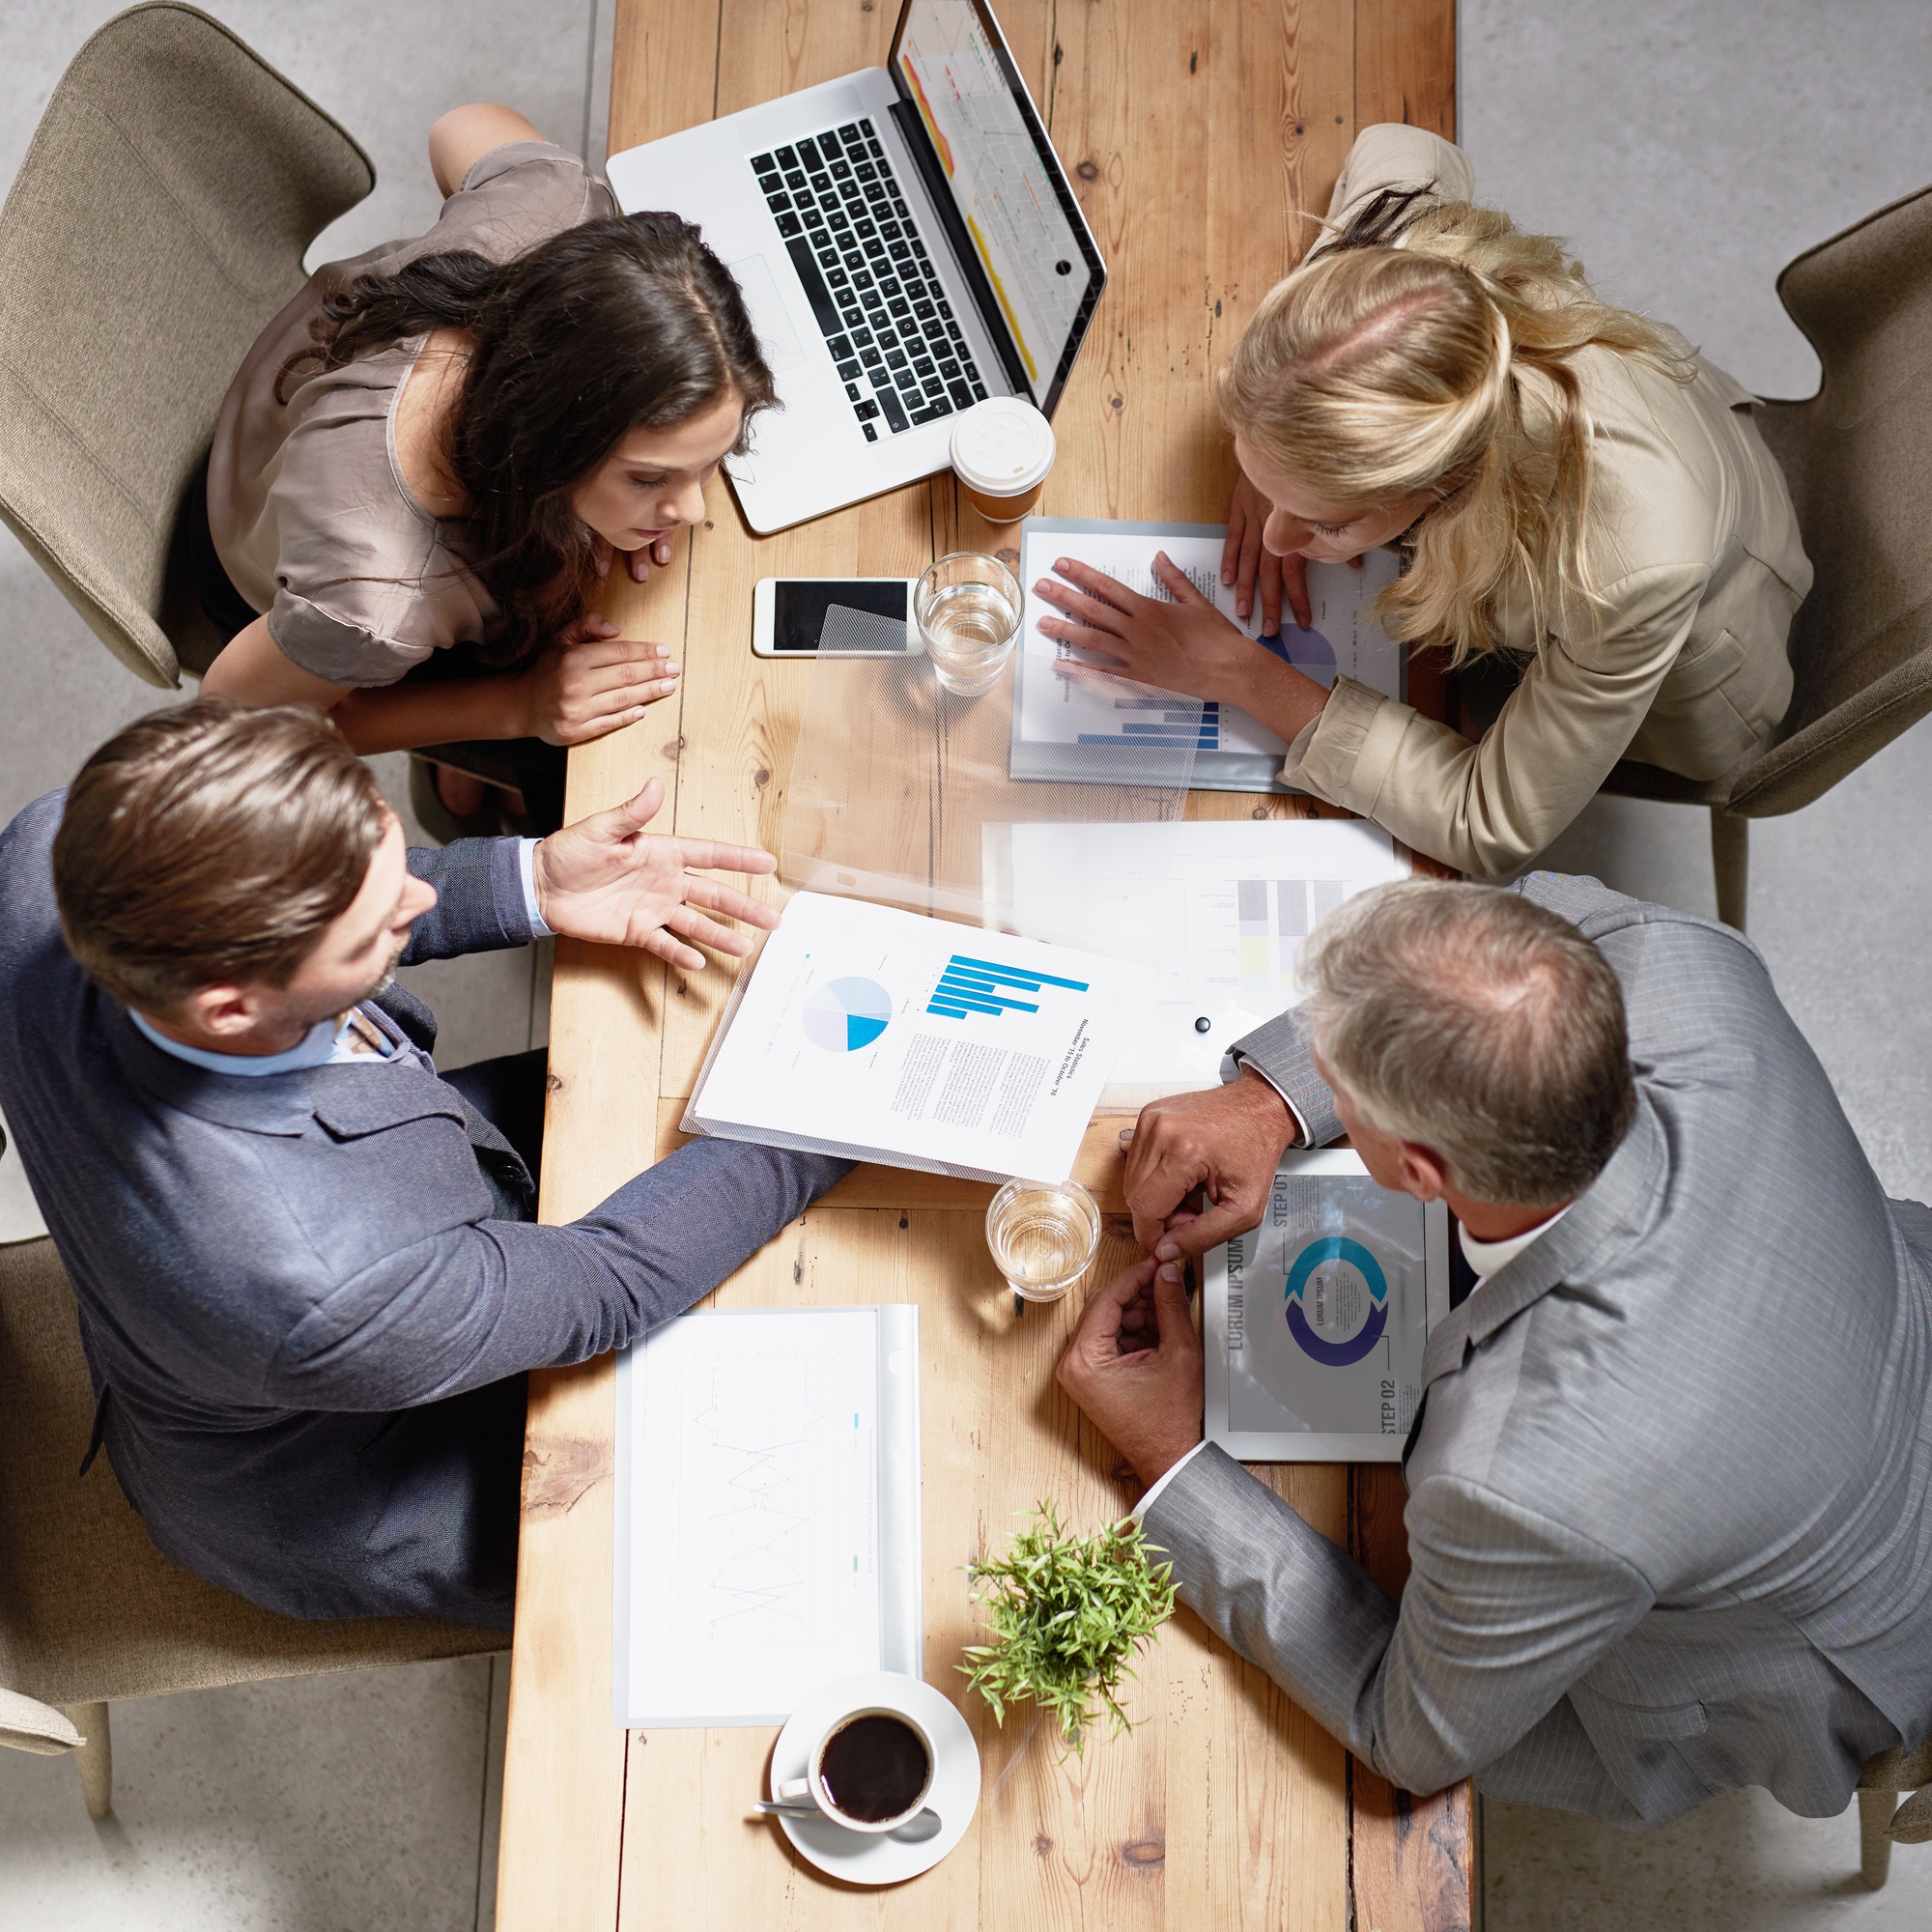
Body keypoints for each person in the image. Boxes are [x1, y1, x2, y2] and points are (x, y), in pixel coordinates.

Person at [1056, 873, 1932, 1826]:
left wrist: (1171, 1460)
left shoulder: (1519, 1484)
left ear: (1418, 1170)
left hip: (1824, 1645)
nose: (1318, 1071)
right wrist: (1266, 1102)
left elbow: (1408, 1732)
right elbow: (1522, 913)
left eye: (1331, 1078)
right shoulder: (1685, 964)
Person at [0, 700, 848, 1630]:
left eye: (389, 856)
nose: (420, 900)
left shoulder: (52, 852)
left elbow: (342, 884)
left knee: (663, 1077)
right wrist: (832, 1101)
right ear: (231, 1011)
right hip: (362, 1466)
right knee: (772, 1537)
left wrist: (530, 881)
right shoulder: (322, 1281)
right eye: (371, 936)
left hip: (346, 1223)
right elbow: (610, 1283)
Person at [1032, 125, 1812, 876]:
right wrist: (1287, 447)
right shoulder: (1407, 283)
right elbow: (1400, 143)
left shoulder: (1627, 570)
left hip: (1703, 659)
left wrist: (1244, 675)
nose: (1274, 541)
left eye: (1326, 522)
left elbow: (1492, 828)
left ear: (1443, 485)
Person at [196, 102, 775, 833]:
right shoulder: (373, 598)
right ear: (546, 448)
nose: (692, 511)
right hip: (269, 562)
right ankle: (456, 783)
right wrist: (519, 707)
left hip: (297, 396)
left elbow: (457, 126)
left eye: (709, 462)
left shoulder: (554, 213)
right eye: (648, 477)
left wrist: (655, 479)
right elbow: (236, 720)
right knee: (583, 768)